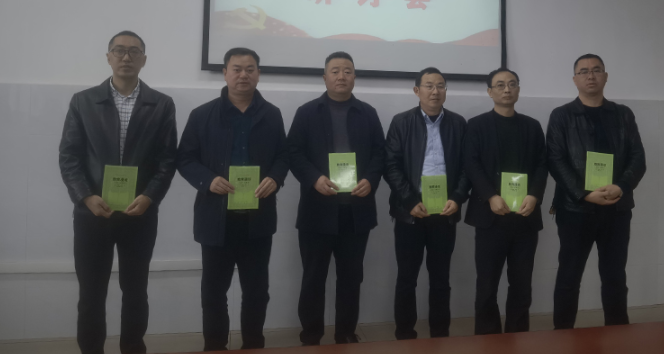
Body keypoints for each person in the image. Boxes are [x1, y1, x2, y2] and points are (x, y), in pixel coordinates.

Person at [59, 31, 177, 354]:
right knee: (91, 294)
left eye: (134, 52)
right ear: (108, 57)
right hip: (93, 214)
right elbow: (69, 157)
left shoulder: (161, 104)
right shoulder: (83, 101)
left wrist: (150, 196)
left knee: (136, 291)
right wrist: (86, 196)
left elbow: (168, 160)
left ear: (144, 60)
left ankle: (133, 348)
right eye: (119, 51)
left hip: (139, 214)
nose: (126, 57)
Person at [177, 47, 289, 351]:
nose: (243, 75)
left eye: (250, 69)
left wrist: (275, 178)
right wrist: (207, 180)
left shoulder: (272, 114)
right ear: (225, 73)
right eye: (237, 69)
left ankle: (253, 344)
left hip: (258, 217)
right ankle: (215, 346)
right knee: (214, 292)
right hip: (216, 218)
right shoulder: (202, 115)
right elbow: (185, 158)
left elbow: (284, 155)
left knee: (257, 291)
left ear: (258, 74)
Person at [287, 51, 385, 345]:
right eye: (335, 71)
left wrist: (371, 179)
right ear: (324, 77)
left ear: (354, 76)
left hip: (356, 211)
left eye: (347, 71)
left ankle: (345, 333)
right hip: (317, 210)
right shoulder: (307, 112)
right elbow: (293, 153)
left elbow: (380, 153)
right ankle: (311, 335)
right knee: (313, 277)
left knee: (351, 278)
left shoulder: (367, 113)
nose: (342, 76)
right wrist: (314, 178)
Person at [547, 54, 646, 329]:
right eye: (583, 71)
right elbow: (555, 160)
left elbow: (638, 158)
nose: (590, 75)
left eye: (596, 70)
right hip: (575, 210)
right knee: (569, 277)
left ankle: (617, 334)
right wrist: (584, 194)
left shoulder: (623, 114)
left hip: (616, 208)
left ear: (605, 76)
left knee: (615, 277)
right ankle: (562, 334)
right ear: (575, 79)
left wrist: (621, 186)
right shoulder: (561, 115)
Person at [384, 67, 469, 340]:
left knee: (441, 278)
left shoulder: (458, 123)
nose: (435, 91)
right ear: (416, 90)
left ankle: (440, 334)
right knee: (407, 278)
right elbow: (391, 165)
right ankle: (404, 333)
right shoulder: (401, 122)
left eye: (440, 86)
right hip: (410, 211)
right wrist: (409, 200)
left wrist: (457, 198)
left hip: (445, 210)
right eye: (429, 86)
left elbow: (467, 168)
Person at [464, 68, 548, 335]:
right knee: (487, 286)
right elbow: (471, 164)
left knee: (522, 286)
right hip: (490, 218)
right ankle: (487, 340)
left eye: (512, 84)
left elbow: (542, 164)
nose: (507, 89)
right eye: (500, 85)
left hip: (525, 217)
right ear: (490, 92)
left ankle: (517, 337)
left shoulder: (532, 126)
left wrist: (534, 195)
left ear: (518, 90)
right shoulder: (476, 125)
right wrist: (491, 195)